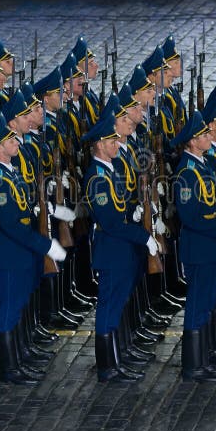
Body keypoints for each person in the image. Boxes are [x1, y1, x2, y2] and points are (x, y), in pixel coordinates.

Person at [0, 115, 68, 385]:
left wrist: (49, 210)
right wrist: (46, 246)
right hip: (10, 254)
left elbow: (26, 209)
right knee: (9, 310)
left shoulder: (11, 171)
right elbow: (11, 225)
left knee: (19, 306)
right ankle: (9, 368)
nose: (15, 142)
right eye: (9, 140)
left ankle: (20, 355)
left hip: (23, 252)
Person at [82, 115, 159, 383]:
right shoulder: (96, 178)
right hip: (111, 250)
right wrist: (142, 236)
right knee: (108, 308)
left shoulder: (111, 169)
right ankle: (107, 367)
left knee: (117, 305)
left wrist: (135, 211)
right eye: (112, 140)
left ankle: (118, 357)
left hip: (122, 250)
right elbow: (111, 223)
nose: (117, 144)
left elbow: (121, 207)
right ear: (100, 144)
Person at [171, 110, 216, 382]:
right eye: (201, 135)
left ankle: (204, 357)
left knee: (208, 302)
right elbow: (192, 218)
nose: (207, 138)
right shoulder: (188, 172)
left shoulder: (202, 164)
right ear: (191, 142)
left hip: (210, 248)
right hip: (200, 248)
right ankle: (193, 365)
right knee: (198, 305)